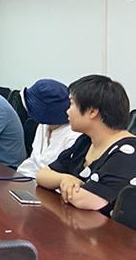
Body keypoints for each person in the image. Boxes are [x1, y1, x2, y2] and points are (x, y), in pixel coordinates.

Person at [37, 75, 136, 215]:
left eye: (71, 104)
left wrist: (67, 185)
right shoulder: (85, 141)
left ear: (92, 111)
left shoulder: (128, 151)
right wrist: (65, 178)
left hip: (108, 228)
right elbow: (42, 175)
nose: (67, 111)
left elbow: (86, 200)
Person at [16, 79, 80, 178]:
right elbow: (33, 161)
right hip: (29, 179)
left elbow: (66, 178)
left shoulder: (74, 136)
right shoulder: (43, 126)